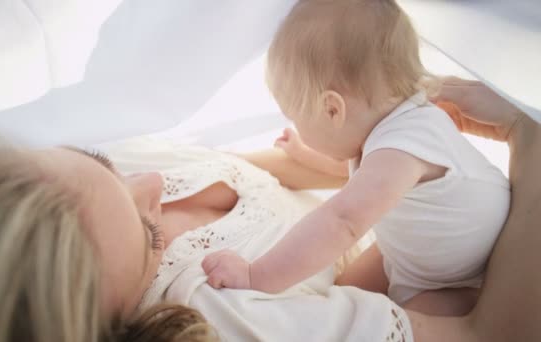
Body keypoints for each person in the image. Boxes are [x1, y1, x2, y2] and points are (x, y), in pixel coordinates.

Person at [0, 75, 539, 341]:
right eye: (151, 236)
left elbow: (255, 172)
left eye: (98, 160)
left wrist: (381, 152)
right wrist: (526, 135)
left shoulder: (86, 199)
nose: (152, 184)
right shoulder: (231, 322)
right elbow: (499, 334)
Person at [201, 0, 509, 317]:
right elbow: (353, 173)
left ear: (333, 109)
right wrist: (301, 153)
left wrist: (257, 276)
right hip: (419, 258)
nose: (296, 127)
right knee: (344, 290)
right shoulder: (388, 127)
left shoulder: (405, 143)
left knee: (406, 322)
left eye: (297, 118)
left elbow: (341, 222)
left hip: (467, 280)